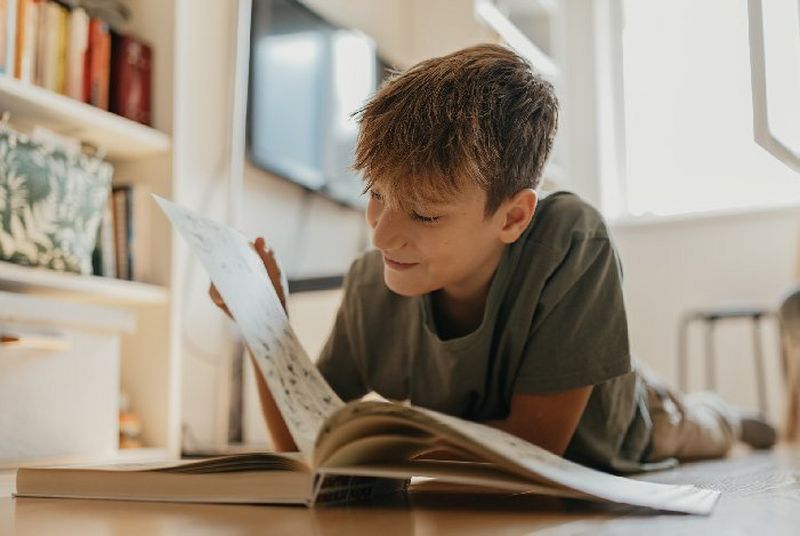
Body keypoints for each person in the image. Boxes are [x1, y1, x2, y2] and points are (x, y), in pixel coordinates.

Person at [211, 43, 776, 473]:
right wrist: (267, 323)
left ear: (513, 217)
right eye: (375, 196)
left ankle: (733, 415)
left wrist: (384, 457)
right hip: (486, 439)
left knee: (702, 427)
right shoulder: (372, 284)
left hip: (632, 418)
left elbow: (534, 446)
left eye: (425, 216)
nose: (382, 237)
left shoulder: (572, 240)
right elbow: (301, 437)